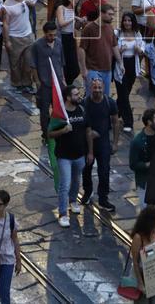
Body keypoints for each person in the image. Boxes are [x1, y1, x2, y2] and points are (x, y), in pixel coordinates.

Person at [48, 85, 87, 227]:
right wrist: (63, 131)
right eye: (76, 95)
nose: (79, 97)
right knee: (65, 184)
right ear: (68, 98)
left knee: (77, 180)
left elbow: (86, 128)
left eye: (78, 94)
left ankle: (73, 200)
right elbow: (50, 134)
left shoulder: (81, 109)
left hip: (79, 154)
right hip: (64, 156)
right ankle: (63, 213)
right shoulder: (59, 114)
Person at [81, 77, 120, 212]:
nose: (97, 90)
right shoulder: (84, 103)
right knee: (86, 169)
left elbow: (115, 122)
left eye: (99, 88)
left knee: (104, 171)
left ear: (103, 88)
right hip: (87, 142)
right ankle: (87, 191)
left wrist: (115, 143)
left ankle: (103, 198)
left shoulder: (110, 103)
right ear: (90, 88)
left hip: (103, 142)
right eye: (95, 87)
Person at [3, 0, 37, 95]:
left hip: (27, 35)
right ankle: (17, 84)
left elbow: (33, 6)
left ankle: (27, 83)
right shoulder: (7, 4)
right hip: (14, 36)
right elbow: (6, 23)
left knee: (28, 62)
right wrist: (7, 41)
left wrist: (30, 3)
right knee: (15, 64)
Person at [78, 4, 118, 97]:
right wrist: (83, 69)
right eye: (110, 14)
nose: (112, 17)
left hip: (107, 70)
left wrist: (120, 62)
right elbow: (81, 49)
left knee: (105, 97)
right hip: (93, 69)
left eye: (113, 15)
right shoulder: (89, 28)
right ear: (101, 14)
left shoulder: (110, 28)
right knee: (92, 96)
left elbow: (114, 46)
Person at [129, 109, 155, 208]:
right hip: (145, 180)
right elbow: (133, 164)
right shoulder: (137, 141)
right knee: (146, 209)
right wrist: (148, 164)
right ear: (149, 122)